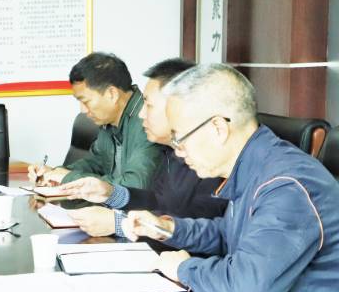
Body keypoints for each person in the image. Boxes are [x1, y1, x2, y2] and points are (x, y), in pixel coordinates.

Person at [124, 63, 339, 292]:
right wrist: (168, 228)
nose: (178, 150)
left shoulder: (286, 184)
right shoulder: (255, 167)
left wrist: (184, 269)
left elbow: (248, 284)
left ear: (218, 128)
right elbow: (228, 234)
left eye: (180, 137)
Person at [58, 58, 228, 236]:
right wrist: (111, 193)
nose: (141, 113)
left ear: (177, 107)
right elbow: (158, 202)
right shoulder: (173, 152)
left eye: (149, 105)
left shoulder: (211, 161)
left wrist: (121, 224)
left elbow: (204, 232)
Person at [27, 52, 164, 189]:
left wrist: (68, 177)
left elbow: (136, 184)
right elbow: (95, 163)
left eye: (86, 101)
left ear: (112, 94)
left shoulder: (147, 121)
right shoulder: (109, 121)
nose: (83, 110)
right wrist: (55, 173)